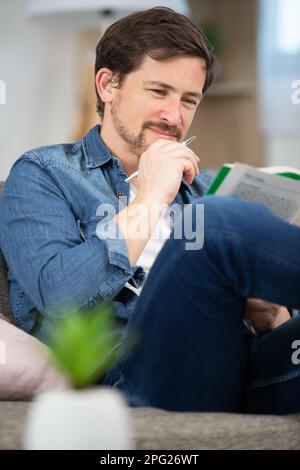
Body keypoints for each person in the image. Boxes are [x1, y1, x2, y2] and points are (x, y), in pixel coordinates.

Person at [0, 7, 300, 414]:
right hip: (133, 377)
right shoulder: (44, 174)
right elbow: (61, 300)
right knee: (214, 221)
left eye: (188, 100)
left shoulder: (203, 183)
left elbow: (270, 319)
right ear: (108, 85)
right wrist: (152, 195)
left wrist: (271, 317)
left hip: (234, 363)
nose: (174, 117)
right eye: (159, 92)